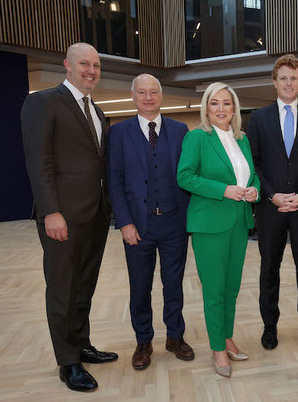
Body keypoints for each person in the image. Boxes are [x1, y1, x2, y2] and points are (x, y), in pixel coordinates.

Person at [21, 42, 117, 392]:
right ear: (67, 65)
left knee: (84, 287)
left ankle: (82, 344)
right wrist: (51, 211)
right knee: (62, 289)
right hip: (61, 217)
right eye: (84, 64)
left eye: (96, 64)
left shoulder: (99, 111)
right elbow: (39, 162)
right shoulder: (43, 103)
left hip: (96, 215)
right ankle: (68, 362)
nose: (91, 70)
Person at [107, 74, 194, 370]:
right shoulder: (118, 133)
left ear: (161, 95)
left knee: (174, 285)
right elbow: (115, 182)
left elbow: (189, 175)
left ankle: (175, 337)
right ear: (133, 96)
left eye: (153, 92)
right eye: (142, 92)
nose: (148, 97)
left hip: (174, 225)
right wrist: (125, 222)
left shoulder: (181, 130)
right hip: (138, 227)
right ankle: (143, 341)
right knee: (140, 286)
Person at [247, 54, 298, 350]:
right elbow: (253, 162)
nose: (288, 83)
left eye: (293, 78)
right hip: (270, 209)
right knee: (269, 269)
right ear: (274, 82)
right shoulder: (258, 118)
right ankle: (270, 326)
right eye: (283, 77)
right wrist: (272, 194)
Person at [177, 82, 260, 378]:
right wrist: (223, 190)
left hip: (238, 222)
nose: (221, 109)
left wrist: (254, 191)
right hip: (209, 224)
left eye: (227, 103)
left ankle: (226, 337)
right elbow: (184, 176)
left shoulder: (242, 139)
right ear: (206, 107)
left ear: (234, 108)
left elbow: (253, 175)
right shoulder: (197, 138)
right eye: (215, 103)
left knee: (232, 289)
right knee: (214, 290)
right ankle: (216, 348)